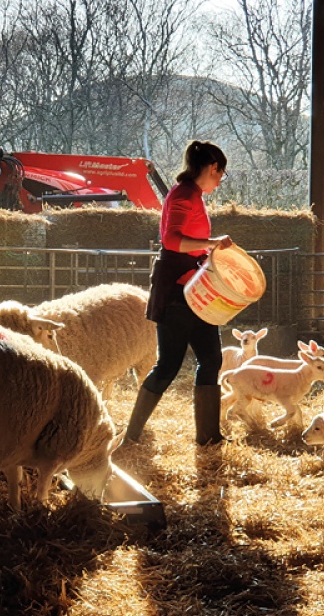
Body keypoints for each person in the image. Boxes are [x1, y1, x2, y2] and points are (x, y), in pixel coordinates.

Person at [124, 140, 233, 447]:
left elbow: (189, 241)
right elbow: (172, 240)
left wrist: (209, 249)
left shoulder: (192, 194)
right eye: (220, 174)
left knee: (211, 360)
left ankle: (209, 437)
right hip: (177, 292)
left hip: (195, 290)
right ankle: (131, 436)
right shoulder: (185, 194)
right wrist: (212, 243)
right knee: (168, 365)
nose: (220, 180)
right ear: (213, 168)